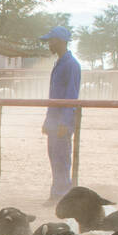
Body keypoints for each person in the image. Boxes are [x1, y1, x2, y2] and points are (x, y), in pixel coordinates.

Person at [40, 25, 80, 203]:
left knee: (61, 158)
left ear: (59, 41)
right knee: (55, 156)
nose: (49, 44)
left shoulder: (71, 65)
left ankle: (62, 196)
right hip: (54, 120)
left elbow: (70, 95)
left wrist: (64, 122)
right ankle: (58, 193)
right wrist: (48, 120)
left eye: (51, 41)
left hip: (62, 121)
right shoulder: (61, 63)